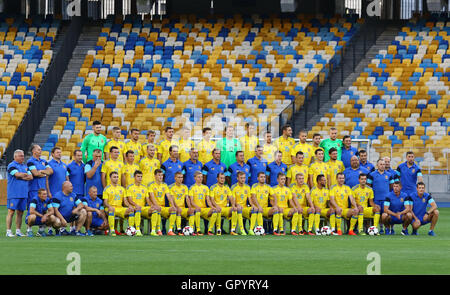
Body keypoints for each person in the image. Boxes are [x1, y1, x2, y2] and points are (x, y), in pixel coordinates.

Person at [6, 149, 33, 237]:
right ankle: (8, 231)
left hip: (23, 192)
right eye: (20, 156)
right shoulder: (11, 165)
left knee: (20, 212)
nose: (22, 157)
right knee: (11, 212)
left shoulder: (25, 166)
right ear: (15, 157)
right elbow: (17, 174)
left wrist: (21, 176)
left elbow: (31, 177)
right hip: (14, 192)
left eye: (23, 156)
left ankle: (18, 231)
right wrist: (23, 175)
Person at [103, 172, 135, 236]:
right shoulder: (107, 189)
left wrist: (129, 206)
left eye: (117, 177)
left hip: (120, 208)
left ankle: (130, 229)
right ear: (110, 178)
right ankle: (112, 230)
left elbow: (125, 202)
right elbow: (105, 202)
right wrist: (109, 206)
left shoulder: (122, 189)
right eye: (114, 177)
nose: (116, 178)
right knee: (111, 210)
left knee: (131, 211)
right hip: (110, 208)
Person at [148, 169, 179, 236]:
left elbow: (169, 196)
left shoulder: (165, 185)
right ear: (155, 176)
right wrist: (156, 205)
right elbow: (152, 197)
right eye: (159, 175)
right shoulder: (151, 185)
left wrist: (173, 205)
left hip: (163, 207)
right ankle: (156, 230)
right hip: (155, 207)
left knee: (173, 210)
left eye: (162, 175)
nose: (161, 177)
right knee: (156, 210)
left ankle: (170, 230)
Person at [188, 171, 218, 235]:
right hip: (196, 209)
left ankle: (209, 230)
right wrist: (196, 207)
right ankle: (198, 230)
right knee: (198, 211)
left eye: (201, 177)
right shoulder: (192, 187)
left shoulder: (206, 187)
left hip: (204, 209)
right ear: (195, 178)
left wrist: (212, 207)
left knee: (215, 211)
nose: (200, 178)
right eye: (199, 177)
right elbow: (191, 201)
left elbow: (208, 200)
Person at [125, 170, 152, 237]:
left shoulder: (145, 188)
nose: (140, 178)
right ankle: (137, 230)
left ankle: (154, 230)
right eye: (138, 176)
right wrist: (136, 205)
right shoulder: (130, 187)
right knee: (137, 209)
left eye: (141, 176)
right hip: (135, 207)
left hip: (143, 207)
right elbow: (130, 200)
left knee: (154, 210)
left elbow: (148, 200)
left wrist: (152, 205)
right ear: (134, 177)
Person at [27, 144, 52, 209]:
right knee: (33, 209)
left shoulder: (44, 161)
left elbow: (51, 171)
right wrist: (45, 173)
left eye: (41, 149)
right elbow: (35, 173)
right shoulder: (30, 161)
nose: (41, 151)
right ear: (33, 151)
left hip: (43, 189)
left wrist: (41, 171)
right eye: (39, 149)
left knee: (43, 209)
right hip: (34, 189)